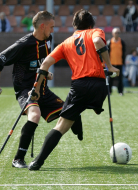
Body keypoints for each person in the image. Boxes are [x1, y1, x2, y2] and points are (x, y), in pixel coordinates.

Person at [27, 9, 120, 171]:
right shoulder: (95, 32)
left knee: (61, 126)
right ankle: (90, 110)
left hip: (79, 87)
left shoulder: (66, 43)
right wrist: (110, 66)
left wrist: (36, 89)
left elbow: (45, 65)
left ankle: (37, 162)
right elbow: (98, 42)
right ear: (91, 24)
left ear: (75, 26)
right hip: (98, 86)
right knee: (93, 105)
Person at [0, 11, 83, 169]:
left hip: (43, 88)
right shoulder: (24, 44)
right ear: (42, 26)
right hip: (26, 90)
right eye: (51, 27)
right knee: (35, 114)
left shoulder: (48, 39)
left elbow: (41, 63)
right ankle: (18, 159)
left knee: (72, 110)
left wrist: (46, 73)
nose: (53, 30)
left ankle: (77, 128)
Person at [107, 27, 125, 95]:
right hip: (111, 63)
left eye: (118, 33)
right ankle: (109, 91)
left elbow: (123, 52)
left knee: (120, 79)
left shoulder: (122, 42)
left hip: (119, 63)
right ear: (112, 33)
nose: (116, 34)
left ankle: (120, 91)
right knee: (110, 78)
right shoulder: (109, 42)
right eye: (115, 33)